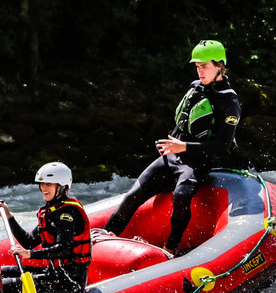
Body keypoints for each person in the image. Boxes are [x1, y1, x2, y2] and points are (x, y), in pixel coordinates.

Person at [103, 39, 241, 255]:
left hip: (197, 161)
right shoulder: (195, 88)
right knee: (132, 196)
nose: (199, 71)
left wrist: (183, 147)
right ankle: (104, 237)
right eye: (197, 66)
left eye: (204, 66)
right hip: (174, 155)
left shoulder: (229, 102)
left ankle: (171, 248)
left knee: (181, 196)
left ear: (220, 66)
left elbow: (222, 146)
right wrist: (175, 145)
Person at [0, 161, 91, 293]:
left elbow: (62, 249)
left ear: (62, 186)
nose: (43, 187)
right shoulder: (51, 212)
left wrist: (29, 254)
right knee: (0, 272)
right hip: (53, 274)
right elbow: (29, 241)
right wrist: (8, 217)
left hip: (69, 282)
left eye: (49, 184)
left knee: (2, 286)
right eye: (42, 184)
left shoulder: (68, 214)